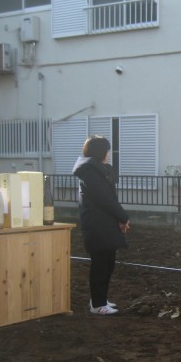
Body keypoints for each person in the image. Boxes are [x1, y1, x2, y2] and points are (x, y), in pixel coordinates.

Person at [73, 135, 130, 316]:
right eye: (107, 150)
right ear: (100, 152)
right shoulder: (90, 172)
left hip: (105, 224)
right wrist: (123, 216)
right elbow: (105, 199)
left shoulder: (97, 170)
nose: (109, 154)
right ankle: (97, 303)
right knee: (100, 265)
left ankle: (101, 299)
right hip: (97, 225)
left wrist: (120, 218)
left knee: (108, 263)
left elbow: (109, 198)